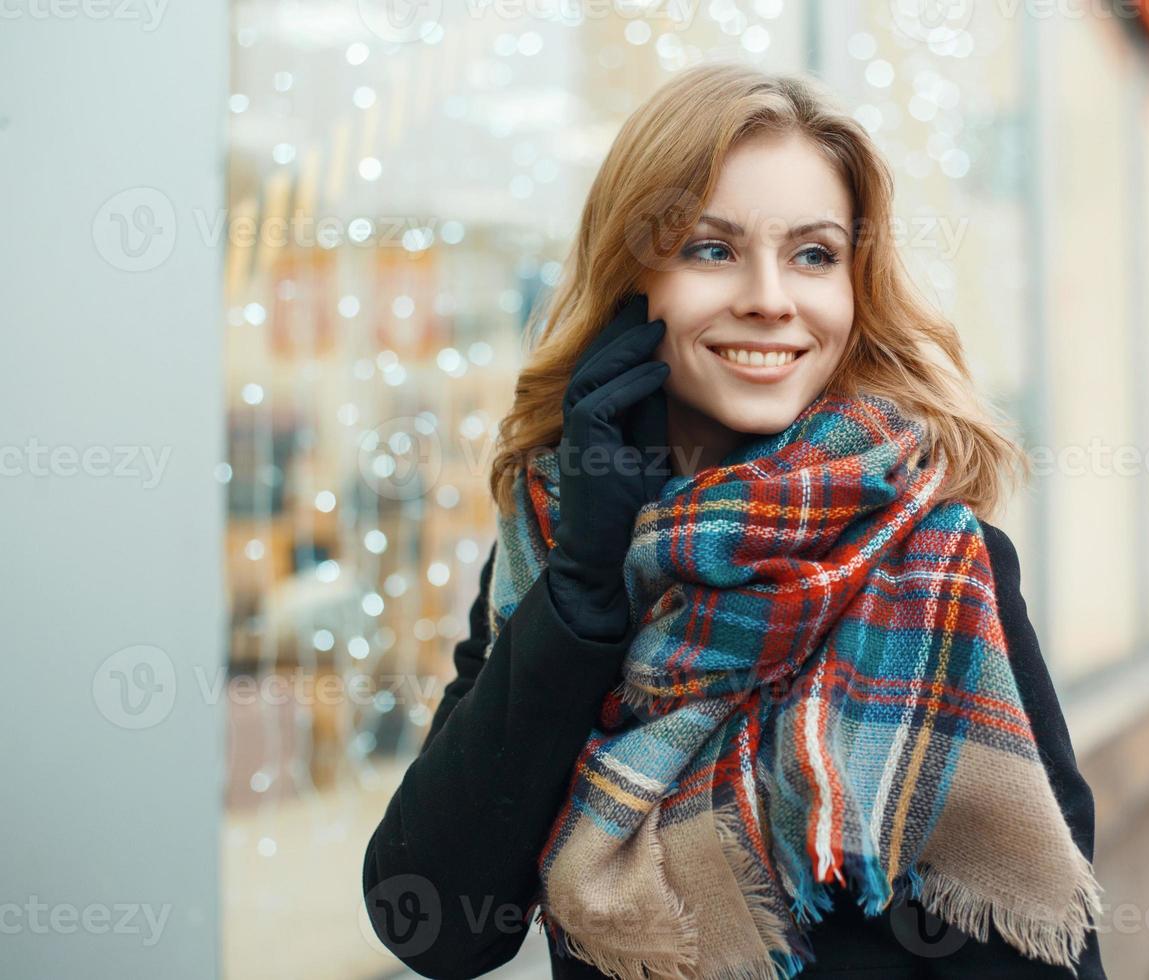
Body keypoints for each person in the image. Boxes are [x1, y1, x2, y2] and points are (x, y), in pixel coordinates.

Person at [363, 62, 1106, 980]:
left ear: (856, 286)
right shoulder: (558, 552)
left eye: (814, 254)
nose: (769, 296)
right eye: (711, 249)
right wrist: (589, 591)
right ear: (631, 285)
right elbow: (434, 925)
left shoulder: (942, 565)